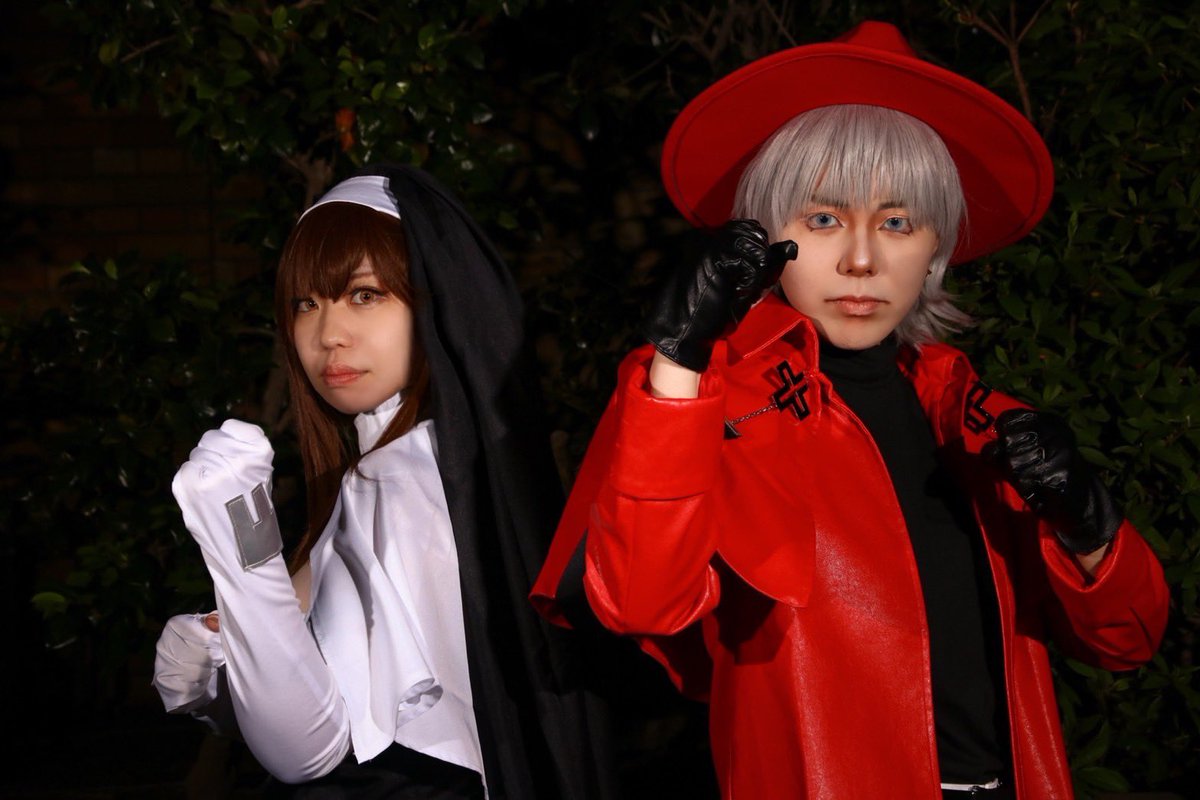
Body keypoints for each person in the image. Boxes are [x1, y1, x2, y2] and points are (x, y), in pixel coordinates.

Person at [531, 20, 1169, 800]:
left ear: (934, 247)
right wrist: (679, 364)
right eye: (824, 219)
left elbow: (1128, 641)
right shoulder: (708, 404)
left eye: (896, 223)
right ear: (767, 237)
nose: (862, 260)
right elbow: (640, 601)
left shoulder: (978, 420)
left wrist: (1088, 522)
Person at [152, 165, 615, 799]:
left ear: (433, 300)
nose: (328, 334)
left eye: (365, 295)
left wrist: (241, 543)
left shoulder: (399, 480)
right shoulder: (415, 470)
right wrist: (217, 667)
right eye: (306, 303)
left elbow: (305, 752)